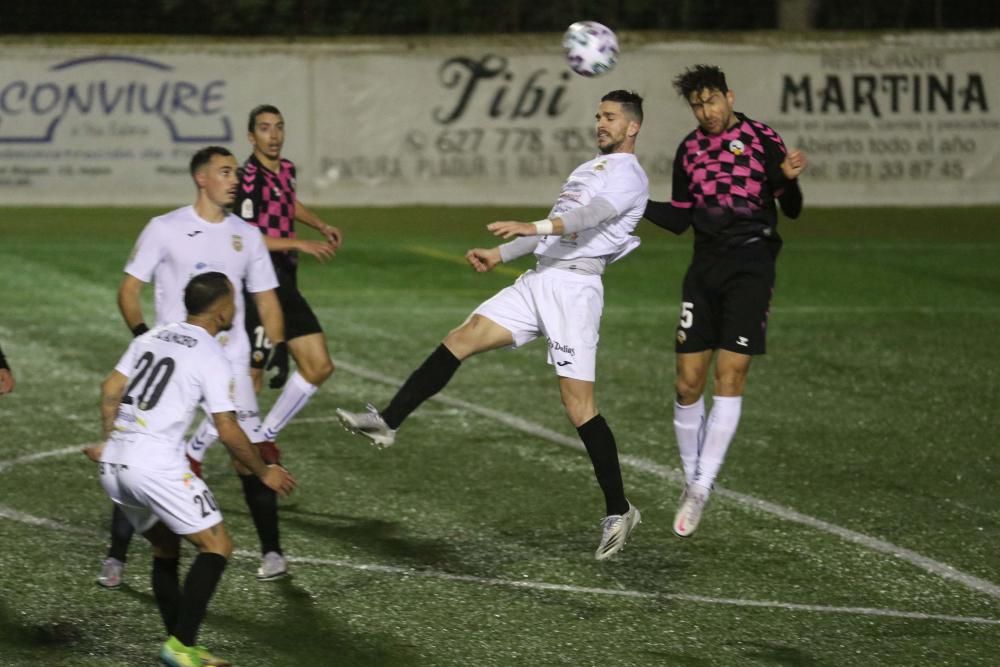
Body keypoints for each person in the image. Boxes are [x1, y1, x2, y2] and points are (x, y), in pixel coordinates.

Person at [336, 90, 649, 560]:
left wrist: (535, 228)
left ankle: (618, 508)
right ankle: (388, 421)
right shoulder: (587, 169)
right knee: (461, 338)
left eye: (610, 117)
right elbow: (552, 224)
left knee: (578, 405)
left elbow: (589, 217)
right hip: (540, 280)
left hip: (575, 292)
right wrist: (500, 253)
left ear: (633, 127)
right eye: (598, 115)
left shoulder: (630, 175)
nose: (600, 123)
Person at [96, 145, 293, 589]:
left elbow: (265, 297)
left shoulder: (248, 235)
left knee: (248, 451)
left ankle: (273, 552)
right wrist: (146, 341)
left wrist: (269, 351)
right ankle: (116, 557)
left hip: (231, 363)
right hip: (177, 365)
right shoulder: (164, 228)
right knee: (142, 447)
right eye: (225, 172)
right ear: (201, 178)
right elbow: (129, 290)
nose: (235, 179)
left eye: (235, 172)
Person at [86, 272, 296, 667]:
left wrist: (111, 437)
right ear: (221, 310)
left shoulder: (151, 337)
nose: (236, 308)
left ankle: (183, 648)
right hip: (155, 466)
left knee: (166, 548)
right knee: (217, 546)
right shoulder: (211, 355)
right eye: (233, 301)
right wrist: (265, 470)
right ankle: (180, 645)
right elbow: (228, 429)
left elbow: (110, 387)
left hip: (115, 464)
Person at [643, 65, 807, 538]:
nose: (706, 111)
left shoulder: (761, 138)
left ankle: (700, 486)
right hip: (704, 269)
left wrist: (790, 180)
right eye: (697, 104)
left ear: (730, 96)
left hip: (751, 267)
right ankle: (694, 476)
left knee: (729, 375)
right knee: (687, 384)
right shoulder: (689, 150)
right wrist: (635, 204)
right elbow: (679, 218)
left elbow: (790, 208)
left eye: (712, 100)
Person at [183, 104, 340, 489]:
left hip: (285, 281)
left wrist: (318, 223)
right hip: (256, 288)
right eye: (265, 129)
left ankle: (264, 435)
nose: (274, 135)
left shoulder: (285, 170)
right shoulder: (246, 178)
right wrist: (299, 242)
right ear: (251, 137)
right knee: (246, 382)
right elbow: (246, 237)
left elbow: (287, 202)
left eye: (279, 128)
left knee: (318, 365)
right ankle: (196, 450)